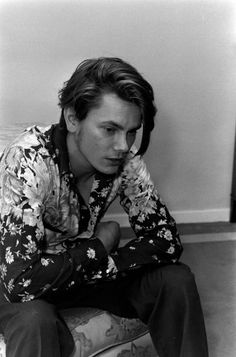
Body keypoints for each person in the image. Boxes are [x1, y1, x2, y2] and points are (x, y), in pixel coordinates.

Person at [0, 57, 208, 357]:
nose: (123, 145)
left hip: (81, 271)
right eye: (109, 129)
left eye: (131, 131)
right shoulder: (28, 160)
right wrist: (101, 243)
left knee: (175, 279)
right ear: (73, 118)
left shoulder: (126, 160)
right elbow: (20, 282)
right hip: (16, 287)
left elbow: (166, 241)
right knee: (35, 319)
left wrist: (103, 260)